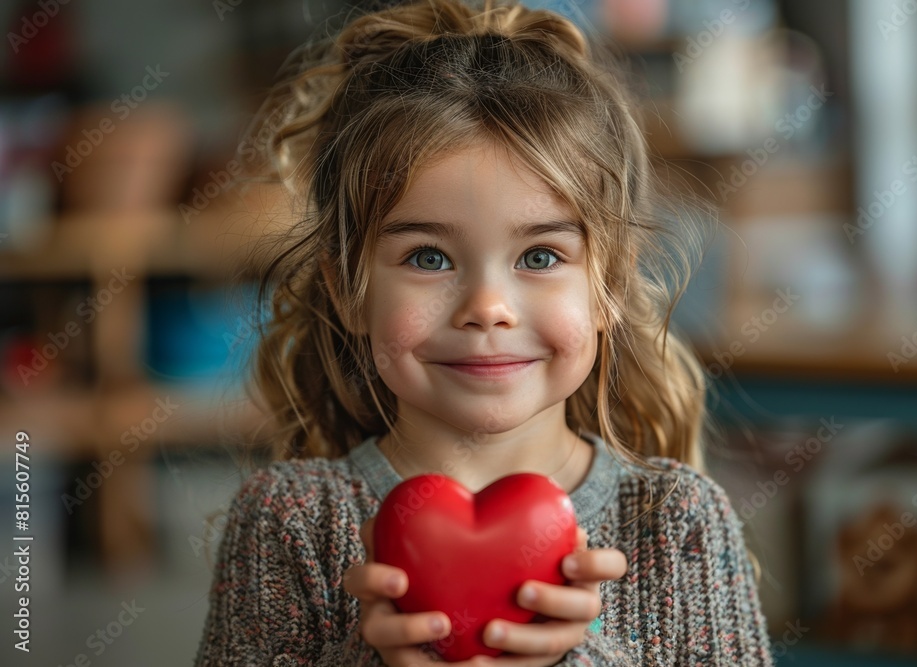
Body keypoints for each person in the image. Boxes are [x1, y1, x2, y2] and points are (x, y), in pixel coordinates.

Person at [193, 0, 773, 664]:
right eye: (429, 257)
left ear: (610, 284)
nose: (488, 306)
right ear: (346, 288)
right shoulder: (287, 521)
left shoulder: (678, 521)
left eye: (540, 256)